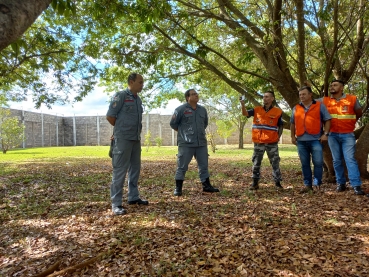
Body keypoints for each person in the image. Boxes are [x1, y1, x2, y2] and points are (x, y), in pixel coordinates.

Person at [106, 73, 148, 216]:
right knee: (120, 171)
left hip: (135, 139)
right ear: (131, 82)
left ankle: (133, 197)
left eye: (143, 82)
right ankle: (116, 204)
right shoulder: (121, 96)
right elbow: (110, 116)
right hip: (123, 139)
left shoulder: (138, 99)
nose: (142, 85)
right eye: (140, 82)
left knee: (135, 169)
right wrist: (119, 131)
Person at [319, 79, 365, 195]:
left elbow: (359, 113)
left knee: (350, 159)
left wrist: (350, 122)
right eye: (331, 85)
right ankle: (341, 183)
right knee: (337, 160)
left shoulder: (352, 99)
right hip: (332, 135)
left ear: (342, 88)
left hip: (348, 134)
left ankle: (356, 185)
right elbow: (310, 102)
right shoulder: (325, 101)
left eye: (335, 85)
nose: (332, 87)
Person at [170, 89, 220, 196]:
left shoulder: (202, 110)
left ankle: (206, 186)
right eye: (193, 94)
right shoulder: (180, 110)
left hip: (201, 143)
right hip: (186, 144)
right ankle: (178, 188)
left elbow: (204, 123)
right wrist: (184, 133)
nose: (196, 95)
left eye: (196, 93)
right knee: (182, 166)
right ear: (188, 97)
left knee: (204, 165)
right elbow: (173, 124)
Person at [290, 85, 332, 193]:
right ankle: (307, 185)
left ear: (310, 95)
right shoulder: (296, 108)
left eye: (304, 94)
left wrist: (325, 134)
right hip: (301, 141)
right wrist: (292, 136)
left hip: (316, 140)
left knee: (318, 162)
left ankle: (317, 183)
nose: (302, 96)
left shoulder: (320, 106)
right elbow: (292, 123)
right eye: (300, 95)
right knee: (305, 163)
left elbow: (327, 120)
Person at [240, 91, 284, 190]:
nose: (265, 98)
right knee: (256, 163)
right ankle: (255, 183)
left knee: (275, 163)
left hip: (272, 142)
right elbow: (245, 113)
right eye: (264, 97)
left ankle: (277, 183)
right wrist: (242, 105)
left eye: (267, 97)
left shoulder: (278, 111)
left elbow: (280, 125)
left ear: (272, 99)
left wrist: (278, 136)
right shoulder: (257, 110)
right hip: (259, 142)